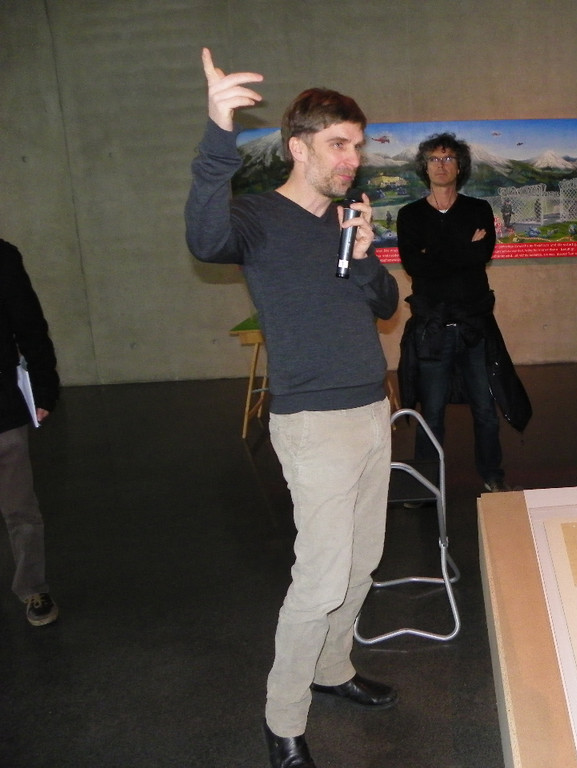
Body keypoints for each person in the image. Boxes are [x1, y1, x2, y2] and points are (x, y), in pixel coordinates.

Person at [185, 49, 400, 768]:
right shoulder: (254, 217)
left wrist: (366, 255)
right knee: (321, 577)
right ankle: (283, 717)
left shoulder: (344, 221)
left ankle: (333, 668)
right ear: (298, 146)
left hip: (371, 410)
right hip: (313, 425)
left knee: (363, 563)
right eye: (338, 144)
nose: (352, 159)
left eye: (357, 146)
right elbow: (203, 238)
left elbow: (386, 305)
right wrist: (218, 132)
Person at [396, 133, 530, 494]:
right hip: (433, 328)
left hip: (474, 325)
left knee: (485, 408)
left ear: (460, 166)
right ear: (424, 167)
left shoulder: (478, 210)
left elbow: (480, 256)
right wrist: (461, 249)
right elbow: (414, 265)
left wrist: (435, 253)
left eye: (448, 159)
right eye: (434, 159)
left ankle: (492, 474)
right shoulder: (410, 215)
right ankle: (424, 484)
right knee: (431, 412)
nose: (441, 165)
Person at [0, 239, 60, 627]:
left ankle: (33, 587)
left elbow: (29, 324)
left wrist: (43, 385)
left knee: (19, 506)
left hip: (2, 404)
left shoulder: (2, 257)